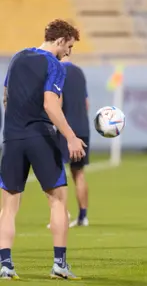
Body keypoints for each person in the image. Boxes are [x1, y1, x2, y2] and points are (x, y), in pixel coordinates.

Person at [0, 19, 86, 280]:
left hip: (12, 139)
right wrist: (70, 136)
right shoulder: (55, 65)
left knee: (9, 205)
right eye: (69, 46)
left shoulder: (17, 58)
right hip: (40, 137)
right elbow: (50, 104)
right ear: (60, 41)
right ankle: (59, 264)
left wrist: (17, 124)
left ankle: (5, 265)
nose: (68, 52)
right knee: (58, 198)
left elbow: (6, 96)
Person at [46, 54, 90, 229]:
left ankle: (61, 213)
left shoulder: (57, 70)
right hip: (83, 128)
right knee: (78, 173)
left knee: (54, 171)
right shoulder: (79, 71)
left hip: (65, 129)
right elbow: (86, 103)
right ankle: (83, 216)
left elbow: (57, 101)